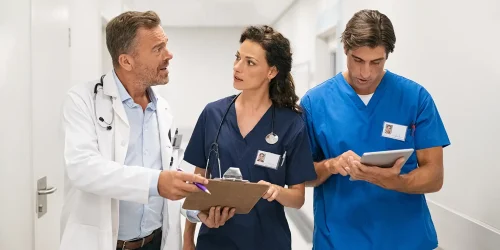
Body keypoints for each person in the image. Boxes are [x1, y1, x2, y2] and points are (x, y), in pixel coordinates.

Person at [301, 9, 451, 250]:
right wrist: (330, 165)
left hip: (406, 239)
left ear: (387, 56)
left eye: (376, 62)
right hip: (339, 239)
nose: (365, 73)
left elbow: (435, 176)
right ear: (345, 50)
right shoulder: (315, 103)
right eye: (357, 60)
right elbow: (301, 177)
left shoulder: (415, 98)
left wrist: (396, 181)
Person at [60, 11, 208, 250]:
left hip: (156, 241)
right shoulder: (82, 100)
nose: (169, 55)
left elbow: (170, 178)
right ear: (126, 61)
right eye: (158, 49)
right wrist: (157, 182)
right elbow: (83, 168)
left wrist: (197, 212)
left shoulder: (163, 109)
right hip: (106, 243)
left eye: (166, 46)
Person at [181, 25, 317, 250]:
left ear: (271, 72)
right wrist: (188, 239)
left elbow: (297, 197)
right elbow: (199, 183)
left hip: (268, 242)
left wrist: (275, 191)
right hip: (215, 240)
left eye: (250, 62)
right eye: (237, 58)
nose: (237, 67)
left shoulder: (291, 123)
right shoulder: (213, 114)